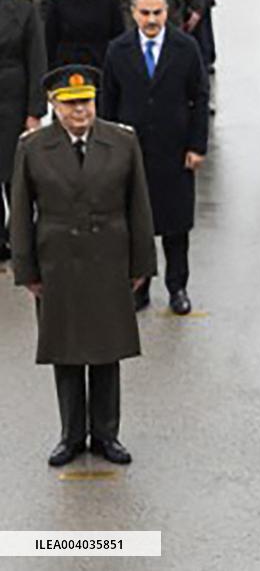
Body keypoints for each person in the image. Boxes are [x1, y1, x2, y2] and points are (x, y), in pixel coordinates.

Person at [9, 65, 156, 467]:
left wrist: (142, 263)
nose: (80, 111)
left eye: (86, 102)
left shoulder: (122, 142)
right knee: (66, 349)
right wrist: (27, 270)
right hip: (58, 261)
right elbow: (21, 213)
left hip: (109, 257)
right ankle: (71, 435)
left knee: (107, 349)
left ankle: (106, 434)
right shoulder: (33, 147)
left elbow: (138, 207)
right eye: (71, 104)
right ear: (54, 106)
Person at [101, 0, 209, 315]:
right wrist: (108, 149)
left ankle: (178, 287)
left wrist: (196, 145)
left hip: (174, 151)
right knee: (137, 223)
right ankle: (139, 285)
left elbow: (200, 98)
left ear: (166, 12)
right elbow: (108, 102)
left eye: (157, 13)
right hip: (132, 152)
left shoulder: (186, 47)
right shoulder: (118, 50)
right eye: (145, 13)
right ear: (134, 13)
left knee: (175, 225)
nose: (151, 19)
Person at [0, 0, 48, 264]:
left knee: (14, 178)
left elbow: (37, 59)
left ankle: (18, 239)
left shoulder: (24, 6)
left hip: (12, 102)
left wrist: (34, 112)